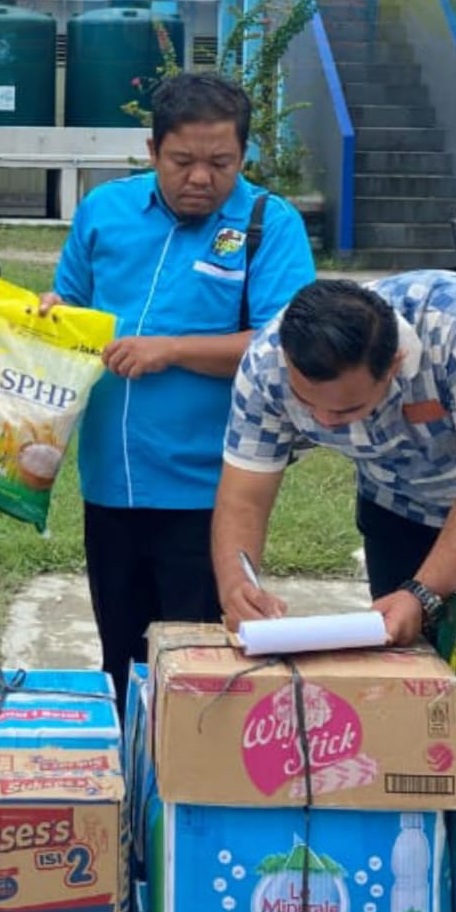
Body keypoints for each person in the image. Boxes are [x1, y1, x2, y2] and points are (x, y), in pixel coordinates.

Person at [42, 73, 316, 711]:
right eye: (182, 161)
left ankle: (184, 796)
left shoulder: (267, 226)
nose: (201, 178)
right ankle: (133, 792)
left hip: (211, 490)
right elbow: (73, 312)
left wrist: (171, 348)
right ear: (152, 151)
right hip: (111, 481)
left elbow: (286, 346)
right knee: (121, 659)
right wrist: (49, 315)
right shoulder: (104, 211)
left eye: (220, 162)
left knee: (199, 671)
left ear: (243, 155)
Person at [215, 272, 456, 645]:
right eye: (306, 403)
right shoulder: (265, 366)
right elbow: (243, 497)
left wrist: (423, 593)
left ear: (395, 364)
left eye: (348, 410)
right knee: (406, 664)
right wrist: (238, 586)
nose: (324, 421)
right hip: (400, 505)